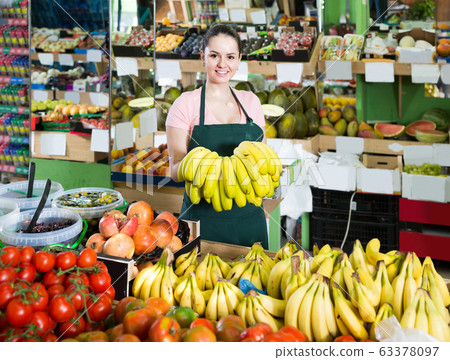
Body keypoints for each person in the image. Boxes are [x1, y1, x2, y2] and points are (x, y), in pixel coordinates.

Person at [166, 24, 269, 248]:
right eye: (214, 55)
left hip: (250, 223)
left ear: (239, 59)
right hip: (201, 224)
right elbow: (174, 171)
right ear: (203, 57)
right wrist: (200, 165)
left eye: (230, 57)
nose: (223, 64)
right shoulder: (185, 104)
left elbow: (263, 161)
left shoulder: (252, 102)